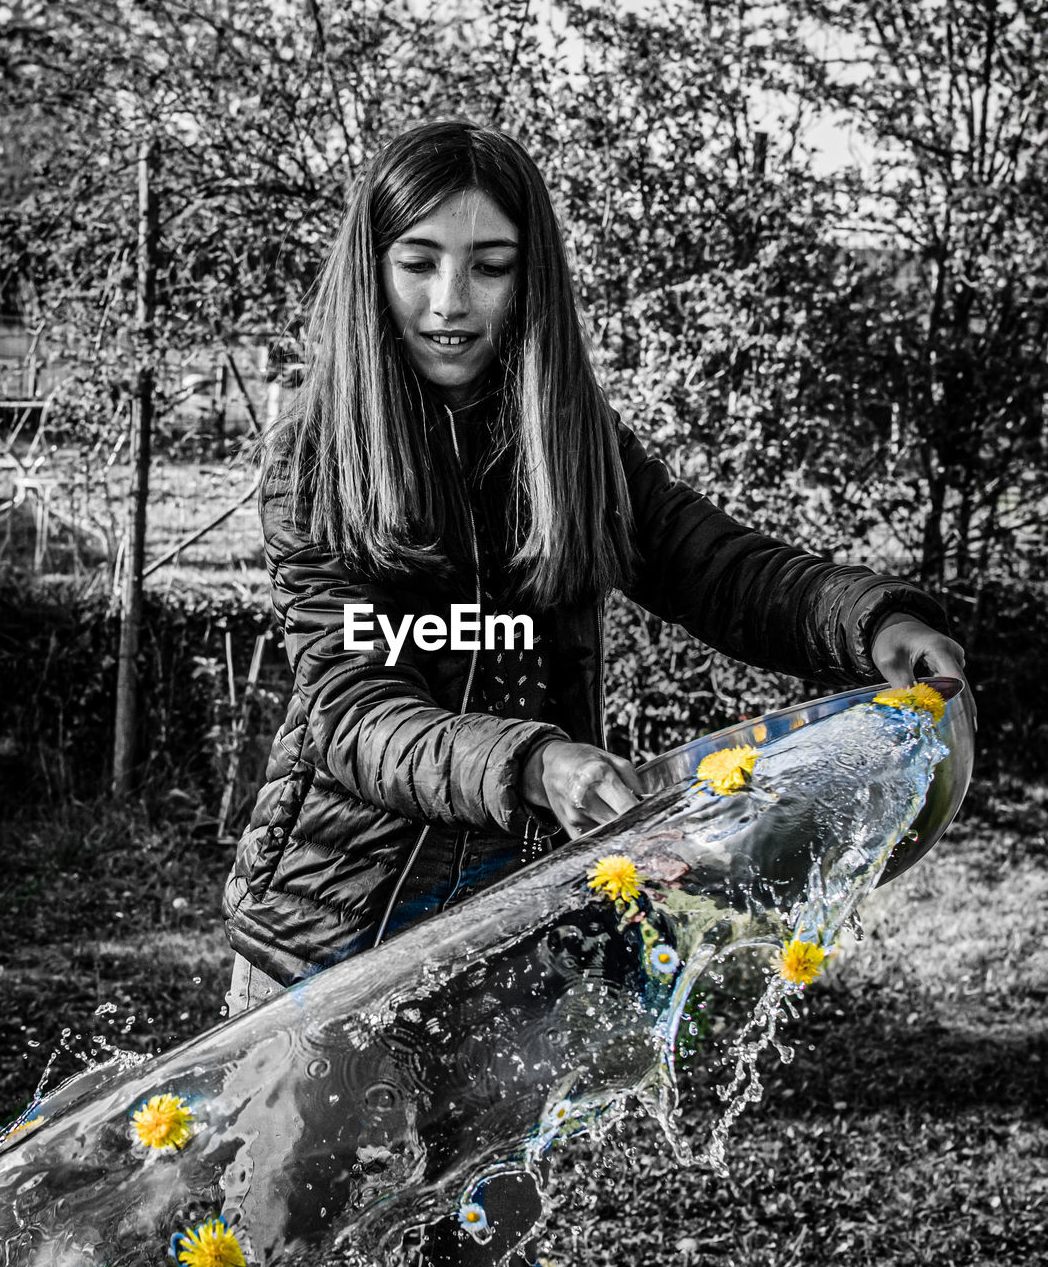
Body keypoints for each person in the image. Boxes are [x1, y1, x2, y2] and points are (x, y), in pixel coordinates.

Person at [221, 119, 970, 1263]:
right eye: (418, 260)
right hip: (331, 936)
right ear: (373, 268)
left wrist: (876, 619)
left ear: (532, 273)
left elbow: (724, 567)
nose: (449, 299)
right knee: (287, 1235)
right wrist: (531, 760)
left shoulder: (570, 440)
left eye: (489, 262)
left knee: (480, 1230)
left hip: (517, 933)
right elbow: (354, 711)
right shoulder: (315, 455)